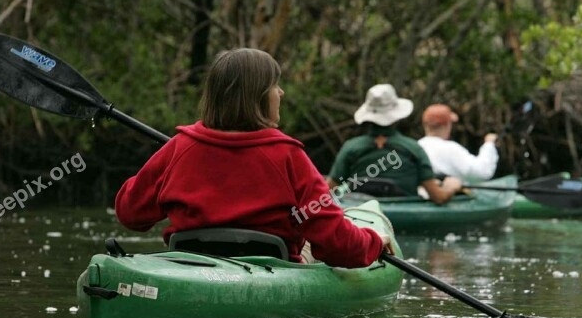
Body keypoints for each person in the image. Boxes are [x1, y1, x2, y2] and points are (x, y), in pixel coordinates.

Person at [114, 48, 391, 269]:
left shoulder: (180, 147)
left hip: (192, 266)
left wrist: (164, 166)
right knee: (310, 245)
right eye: (275, 86)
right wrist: (373, 242)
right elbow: (338, 245)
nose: (281, 93)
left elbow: (130, 213)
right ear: (257, 98)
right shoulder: (289, 156)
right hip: (273, 271)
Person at [327, 84, 462, 203]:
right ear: (396, 116)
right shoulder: (414, 148)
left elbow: (329, 191)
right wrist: (452, 186)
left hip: (360, 212)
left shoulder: (350, 148)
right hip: (406, 214)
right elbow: (438, 197)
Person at [418, 104, 499, 182]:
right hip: (446, 195)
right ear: (447, 125)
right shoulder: (450, 149)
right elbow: (482, 172)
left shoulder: (417, 146)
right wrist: (489, 144)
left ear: (425, 125)